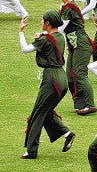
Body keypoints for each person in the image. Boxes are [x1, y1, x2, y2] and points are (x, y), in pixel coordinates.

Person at [17, 10, 75, 159]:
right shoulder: (59, 36)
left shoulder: (45, 39)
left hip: (51, 79)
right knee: (46, 111)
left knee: (38, 113)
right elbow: (50, 41)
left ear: (48, 23)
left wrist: (21, 31)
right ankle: (66, 133)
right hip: (61, 78)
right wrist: (42, 36)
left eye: (43, 20)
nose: (41, 23)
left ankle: (31, 150)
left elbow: (25, 49)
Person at [56, 0, 97, 116]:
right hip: (75, 46)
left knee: (80, 73)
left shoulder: (69, 8)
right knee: (69, 75)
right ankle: (80, 105)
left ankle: (90, 104)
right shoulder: (67, 7)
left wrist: (45, 34)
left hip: (81, 45)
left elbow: (61, 28)